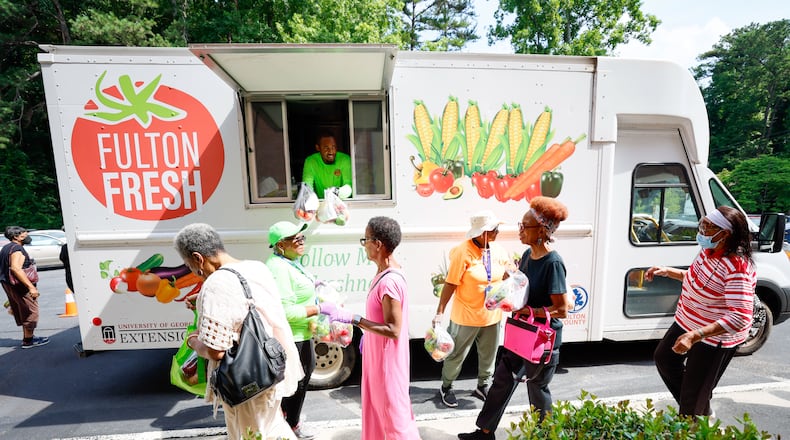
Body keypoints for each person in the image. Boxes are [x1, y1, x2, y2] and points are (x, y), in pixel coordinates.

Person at [174, 223, 303, 440]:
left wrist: (192, 341)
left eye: (190, 266)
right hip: (271, 369)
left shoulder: (216, 283)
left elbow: (216, 351)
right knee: (272, 428)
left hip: (246, 383)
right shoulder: (256, 267)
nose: (195, 272)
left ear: (198, 258)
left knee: (253, 434)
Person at [459, 197, 571, 440]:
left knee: (537, 390)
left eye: (525, 226)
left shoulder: (553, 263)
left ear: (541, 231)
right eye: (520, 225)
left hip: (542, 338)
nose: (519, 230)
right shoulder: (529, 254)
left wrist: (530, 312)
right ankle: (484, 432)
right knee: (501, 381)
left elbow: (561, 309)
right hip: (522, 332)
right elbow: (524, 289)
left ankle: (545, 436)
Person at [646, 206, 756, 417]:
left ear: (724, 234)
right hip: (687, 322)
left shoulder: (737, 268)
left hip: (713, 338)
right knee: (665, 359)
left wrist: (697, 335)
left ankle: (695, 412)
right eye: (702, 224)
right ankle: (699, 406)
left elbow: (740, 317)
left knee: (691, 400)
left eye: (707, 227)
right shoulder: (708, 251)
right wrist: (669, 272)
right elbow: (701, 280)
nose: (702, 231)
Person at [320, 216, 421, 439]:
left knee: (394, 423)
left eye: (365, 239)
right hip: (377, 359)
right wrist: (369, 334)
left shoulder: (389, 281)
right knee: (378, 417)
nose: (363, 244)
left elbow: (394, 329)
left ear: (377, 244)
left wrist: (355, 319)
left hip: (387, 365)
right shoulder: (383, 274)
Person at [434, 210, 510, 408]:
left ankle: (483, 385)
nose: (497, 233)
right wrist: (440, 312)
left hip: (491, 316)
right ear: (482, 232)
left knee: (489, 355)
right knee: (456, 355)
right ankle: (446, 386)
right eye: (494, 229)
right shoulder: (462, 252)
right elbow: (450, 284)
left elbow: (506, 274)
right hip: (465, 316)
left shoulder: (498, 250)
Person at [265, 220, 322, 439]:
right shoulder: (278, 268)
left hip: (301, 334)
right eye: (295, 239)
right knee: (295, 384)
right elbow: (285, 312)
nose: (301, 242)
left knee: (300, 380)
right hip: (291, 337)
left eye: (302, 237)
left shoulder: (288, 262)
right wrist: (318, 308)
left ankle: (289, 422)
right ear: (280, 245)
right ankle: (291, 426)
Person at [0, 226, 50, 349]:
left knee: (22, 309)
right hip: (20, 286)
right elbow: (16, 268)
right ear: (16, 237)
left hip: (8, 283)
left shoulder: (6, 247)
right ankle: (28, 341)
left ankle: (28, 337)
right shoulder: (17, 249)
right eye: (24, 234)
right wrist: (31, 287)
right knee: (30, 311)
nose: (27, 235)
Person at [301, 131, 352, 198]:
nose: (331, 151)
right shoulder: (311, 161)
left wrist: (336, 192)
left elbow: (349, 186)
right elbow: (307, 188)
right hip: (320, 204)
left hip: (341, 204)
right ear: (318, 148)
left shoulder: (344, 159)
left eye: (333, 147)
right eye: (326, 148)